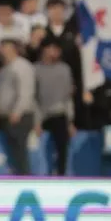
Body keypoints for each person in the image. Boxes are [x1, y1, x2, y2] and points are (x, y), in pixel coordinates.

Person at [0, 39, 37, 175]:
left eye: (6, 46)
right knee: (12, 154)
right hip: (6, 117)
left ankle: (25, 179)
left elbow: (26, 91)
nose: (2, 50)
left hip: (19, 117)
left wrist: (17, 111)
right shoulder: (5, 67)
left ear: (14, 49)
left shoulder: (22, 66)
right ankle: (18, 176)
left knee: (20, 152)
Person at [35, 40, 75, 175]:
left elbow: (67, 97)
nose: (55, 52)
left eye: (57, 49)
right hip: (41, 114)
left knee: (62, 145)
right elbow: (34, 97)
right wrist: (37, 121)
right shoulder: (36, 69)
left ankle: (61, 174)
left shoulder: (64, 69)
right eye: (52, 48)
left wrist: (70, 121)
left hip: (59, 113)